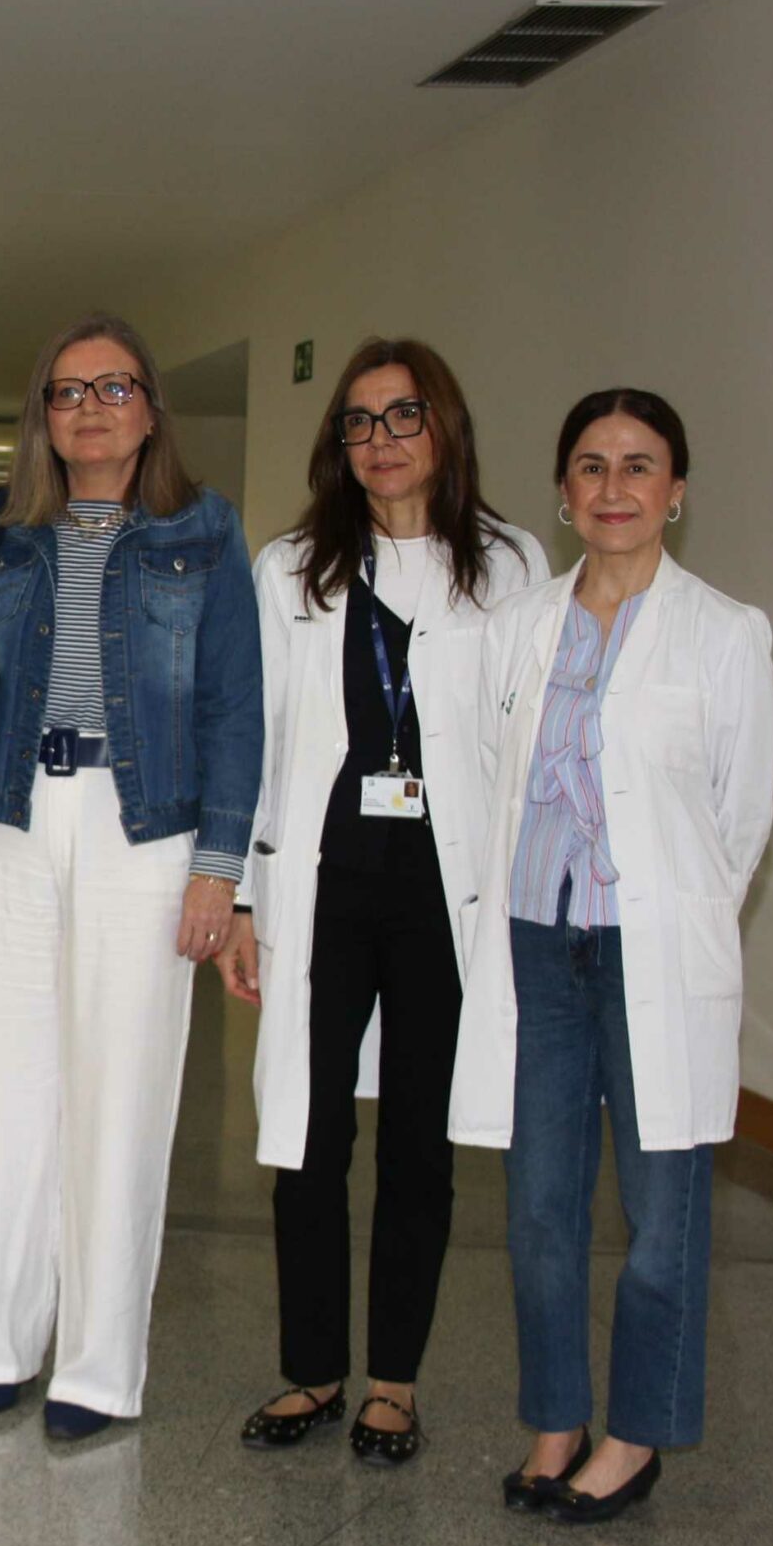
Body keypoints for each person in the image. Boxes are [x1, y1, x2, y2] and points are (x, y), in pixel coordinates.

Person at [0, 313, 262, 1441]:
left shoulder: (204, 529)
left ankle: (96, 1368)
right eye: (66, 392)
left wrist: (219, 867)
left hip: (144, 827)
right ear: (43, 417)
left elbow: (234, 703)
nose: (89, 409)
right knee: (3, 1095)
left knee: (120, 1099)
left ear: (149, 409)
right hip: (10, 817)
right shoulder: (4, 529)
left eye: (113, 389)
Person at [451, 390, 773, 1523]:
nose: (614, 487)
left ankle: (635, 1435)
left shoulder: (724, 633)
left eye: (640, 465)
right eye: (591, 465)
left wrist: (678, 916)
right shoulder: (519, 627)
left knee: (659, 1212)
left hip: (654, 956)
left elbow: (740, 818)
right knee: (539, 1210)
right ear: (563, 490)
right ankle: (556, 1420)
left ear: (676, 491)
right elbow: (491, 779)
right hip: (539, 947)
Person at [221, 340, 542, 1464]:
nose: (381, 440)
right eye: (358, 422)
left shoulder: (507, 565)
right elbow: (257, 739)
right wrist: (245, 899)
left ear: (443, 426)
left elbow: (520, 743)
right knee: (306, 1134)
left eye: (403, 415)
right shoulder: (291, 568)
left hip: (445, 899)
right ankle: (312, 1368)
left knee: (419, 1141)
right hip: (322, 884)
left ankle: (392, 1383)